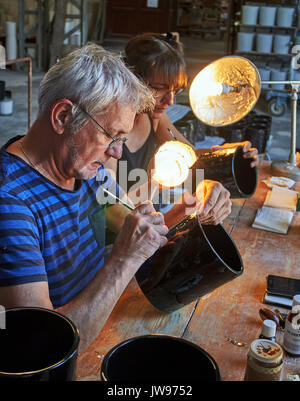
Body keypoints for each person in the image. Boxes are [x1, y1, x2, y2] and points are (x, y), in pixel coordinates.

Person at [0, 44, 231, 353]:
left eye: (121, 139)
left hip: (103, 318)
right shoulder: (10, 202)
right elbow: (46, 347)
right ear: (63, 116)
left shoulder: (83, 169)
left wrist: (190, 210)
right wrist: (123, 260)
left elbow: (132, 226)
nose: (117, 152)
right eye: (111, 136)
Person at [105, 32, 258, 204]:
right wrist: (159, 181)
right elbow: (111, 205)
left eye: (175, 91)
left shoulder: (154, 117)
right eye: (159, 89)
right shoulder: (109, 129)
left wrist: (227, 153)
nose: (170, 101)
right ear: (132, 78)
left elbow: (189, 154)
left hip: (145, 214)